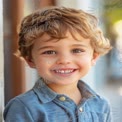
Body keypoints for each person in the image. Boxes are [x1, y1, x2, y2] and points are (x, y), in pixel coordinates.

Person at [4, 6, 112, 122]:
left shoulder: (101, 104)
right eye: (50, 52)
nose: (64, 60)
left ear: (93, 57)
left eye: (77, 50)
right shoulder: (23, 107)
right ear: (30, 60)